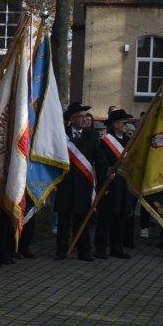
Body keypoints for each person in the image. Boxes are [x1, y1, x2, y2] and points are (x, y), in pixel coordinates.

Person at [56, 103, 97, 261]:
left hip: (83, 185)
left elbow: (98, 156)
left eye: (85, 116)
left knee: (82, 221)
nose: (84, 119)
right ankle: (61, 251)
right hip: (65, 184)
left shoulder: (91, 135)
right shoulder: (62, 134)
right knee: (64, 221)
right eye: (80, 116)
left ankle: (84, 251)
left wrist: (108, 168)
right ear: (72, 119)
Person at [93, 108, 133, 259]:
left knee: (121, 217)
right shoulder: (105, 141)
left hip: (124, 184)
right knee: (106, 218)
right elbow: (100, 160)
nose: (126, 125)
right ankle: (100, 248)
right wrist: (107, 169)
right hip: (111, 184)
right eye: (124, 123)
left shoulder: (128, 140)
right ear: (115, 124)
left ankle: (117, 248)